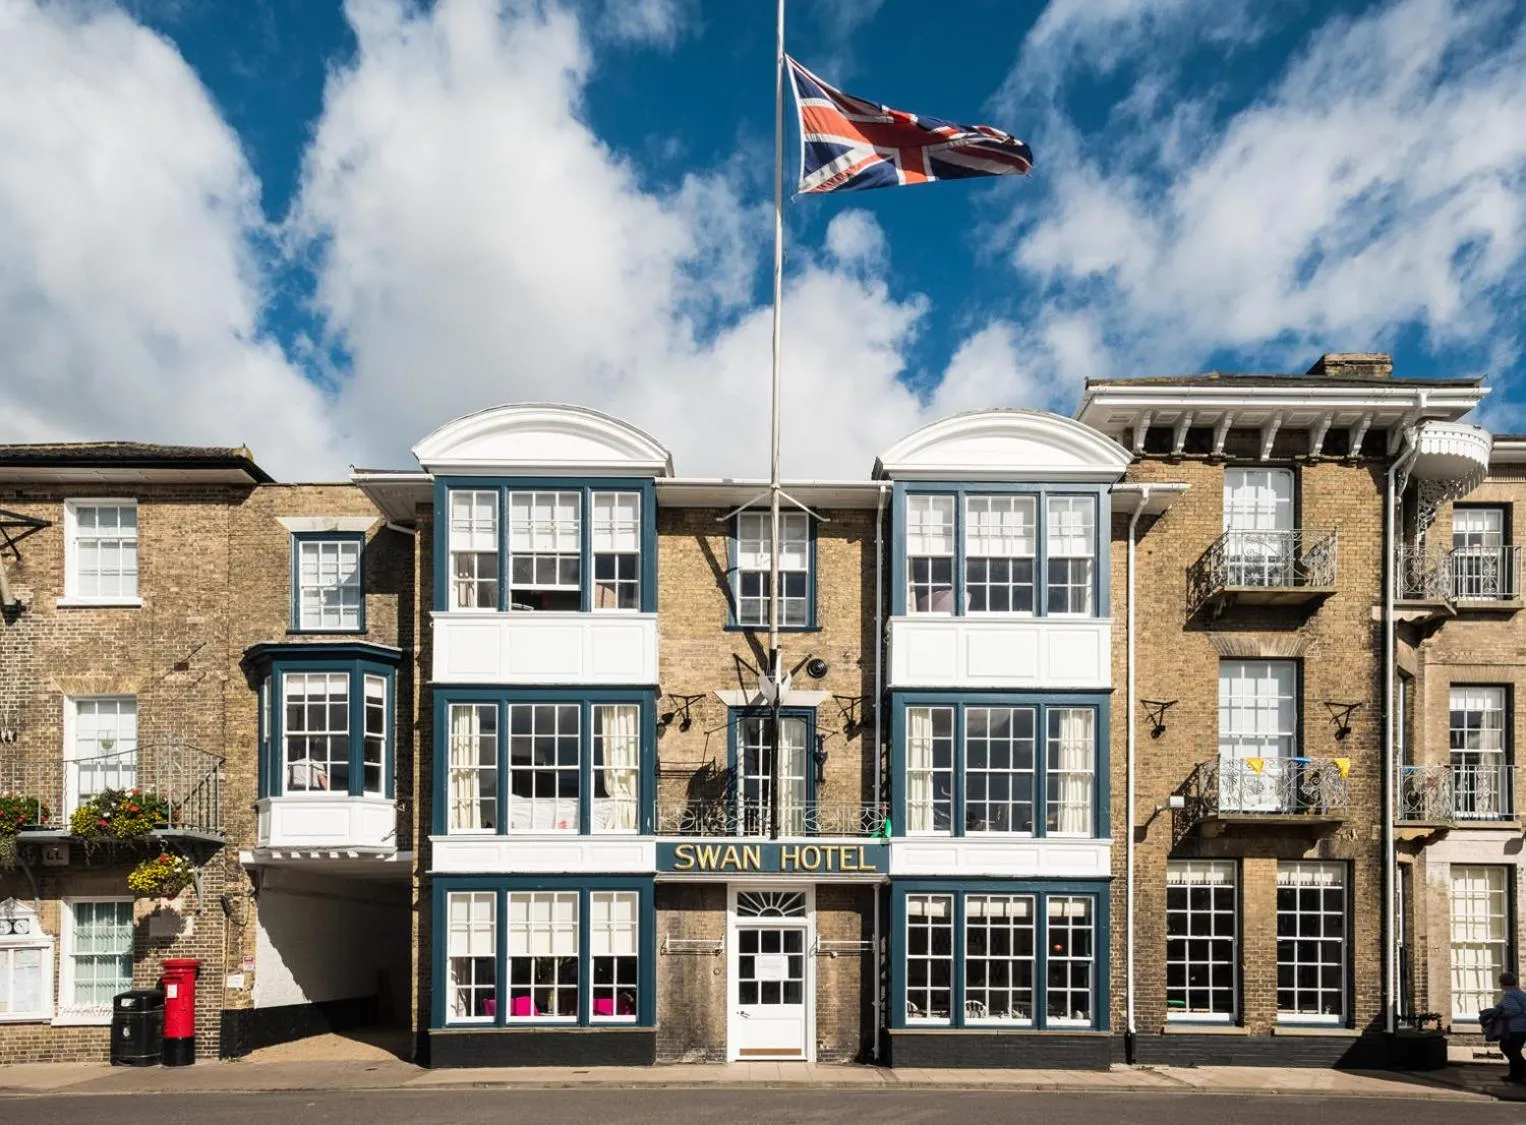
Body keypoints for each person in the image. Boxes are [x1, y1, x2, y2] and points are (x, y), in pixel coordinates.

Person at [1486, 971, 1526, 1084]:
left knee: (1507, 1048)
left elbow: (1514, 1010)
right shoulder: (1520, 993)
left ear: (1502, 983)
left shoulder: (1509, 994)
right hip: (1523, 1028)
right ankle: (1515, 1075)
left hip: (1516, 1028)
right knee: (1514, 1051)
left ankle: (1521, 1072)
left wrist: (1501, 1014)